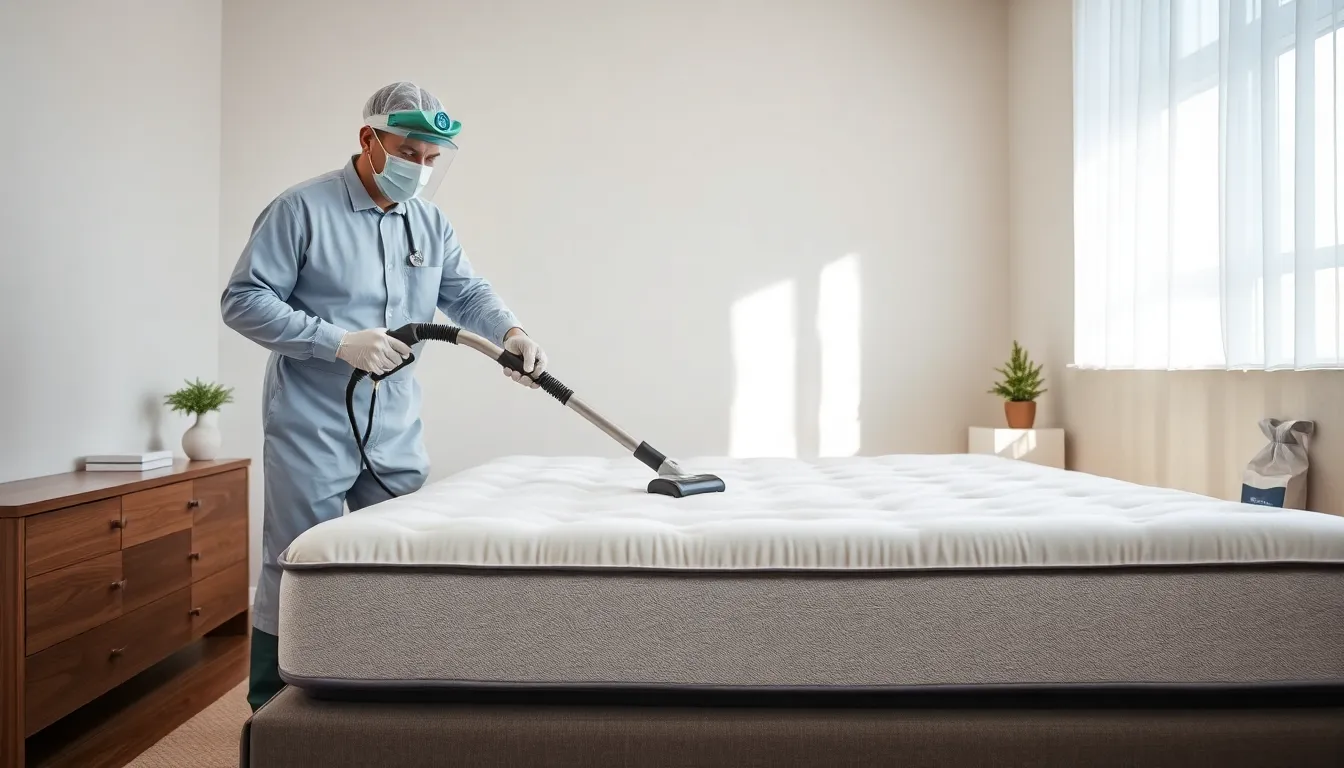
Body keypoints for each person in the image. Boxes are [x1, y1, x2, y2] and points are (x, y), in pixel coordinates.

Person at [220, 81, 546, 712]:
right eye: (409, 153)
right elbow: (243, 301)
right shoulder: (301, 210)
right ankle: (272, 704)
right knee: (300, 559)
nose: (420, 170)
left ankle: (379, 696)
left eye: (431, 159)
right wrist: (335, 341)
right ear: (369, 140)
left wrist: (511, 331)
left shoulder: (428, 221)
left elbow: (466, 292)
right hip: (310, 417)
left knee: (400, 554)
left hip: (393, 419)